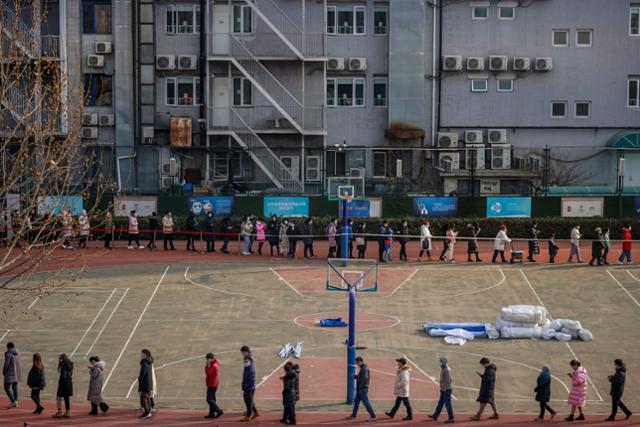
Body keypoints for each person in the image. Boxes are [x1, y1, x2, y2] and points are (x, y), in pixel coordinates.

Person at [349, 356, 376, 421]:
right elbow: (361, 377)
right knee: (356, 402)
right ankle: (354, 414)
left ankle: (373, 415)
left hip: (362, 389)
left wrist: (361, 386)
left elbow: (365, 379)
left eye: (358, 362)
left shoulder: (364, 369)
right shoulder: (363, 368)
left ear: (361, 361)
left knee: (365, 402)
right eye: (356, 363)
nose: (357, 364)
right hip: (360, 389)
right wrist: (356, 377)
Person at [428, 357, 454, 423]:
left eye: (441, 361)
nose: (440, 363)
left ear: (444, 362)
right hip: (443, 389)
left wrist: (444, 388)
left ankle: (451, 418)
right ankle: (435, 415)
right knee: (440, 403)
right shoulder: (443, 368)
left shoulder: (447, 370)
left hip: (446, 390)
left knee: (448, 404)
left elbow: (448, 381)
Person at [53, 353, 73, 418]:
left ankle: (59, 412)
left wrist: (62, 380)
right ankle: (68, 412)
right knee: (67, 398)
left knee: (58, 397)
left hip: (63, 384)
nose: (59, 360)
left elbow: (63, 376)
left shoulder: (63, 365)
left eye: (60, 359)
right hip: (69, 383)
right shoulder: (70, 365)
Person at [204, 353, 223, 419]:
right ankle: (211, 413)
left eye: (207, 359)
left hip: (212, 384)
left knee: (209, 399)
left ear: (210, 359)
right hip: (213, 383)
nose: (206, 360)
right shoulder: (214, 364)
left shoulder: (213, 365)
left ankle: (219, 411)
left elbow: (208, 373)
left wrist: (207, 365)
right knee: (212, 399)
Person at [3, 342, 21, 409]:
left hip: (10, 374)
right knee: (15, 387)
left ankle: (13, 401)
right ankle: (16, 402)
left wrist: (4, 372)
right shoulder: (17, 353)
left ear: (8, 347)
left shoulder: (8, 354)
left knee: (6, 387)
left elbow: (6, 364)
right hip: (16, 373)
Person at [241, 355, 258, 421]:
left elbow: (251, 380)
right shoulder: (247, 368)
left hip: (249, 388)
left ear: (250, 361)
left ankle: (248, 415)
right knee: (249, 400)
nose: (245, 362)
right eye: (244, 361)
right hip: (247, 387)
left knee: (248, 402)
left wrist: (245, 386)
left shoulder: (251, 369)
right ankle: (255, 412)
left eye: (246, 361)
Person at [138, 349, 154, 419]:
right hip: (149, 383)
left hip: (145, 383)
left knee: (143, 397)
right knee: (147, 397)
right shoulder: (149, 362)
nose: (141, 355)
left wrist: (139, 378)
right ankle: (148, 411)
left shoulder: (144, 363)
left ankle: (146, 412)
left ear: (145, 354)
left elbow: (142, 374)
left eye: (142, 354)